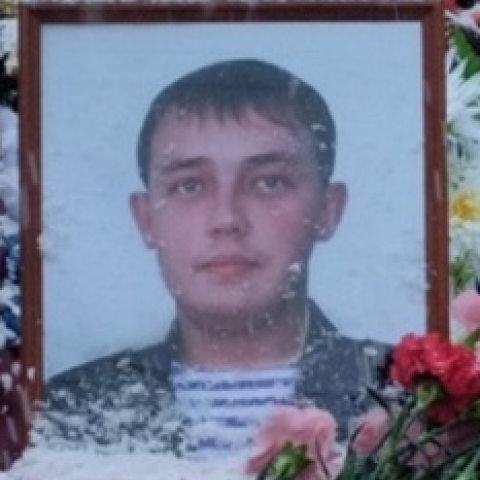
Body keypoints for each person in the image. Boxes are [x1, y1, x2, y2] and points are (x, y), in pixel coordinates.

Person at [39, 59, 387, 458]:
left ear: (327, 209)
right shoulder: (69, 410)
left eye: (268, 182)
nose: (226, 219)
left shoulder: (406, 394)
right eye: (189, 185)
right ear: (146, 218)